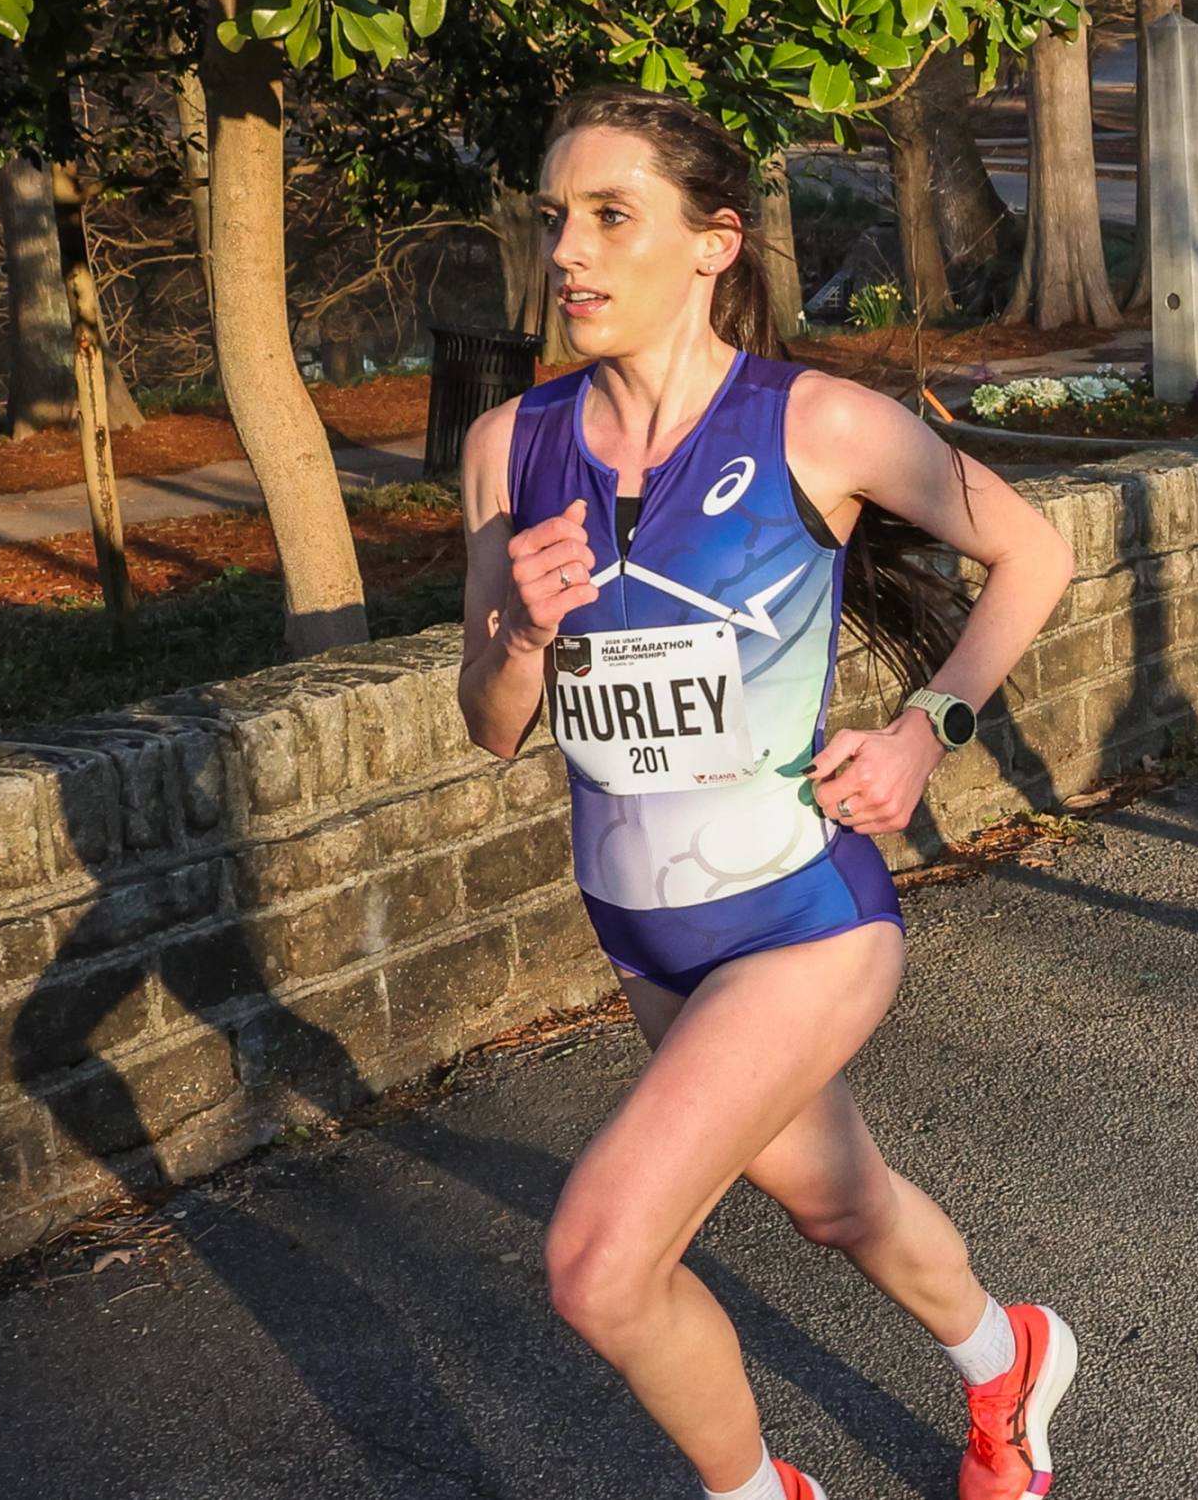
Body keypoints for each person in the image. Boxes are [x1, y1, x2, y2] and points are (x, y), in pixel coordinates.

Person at [457, 87, 1083, 1500]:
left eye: (613, 216)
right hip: (640, 925)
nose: (571, 251)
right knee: (831, 1198)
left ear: (713, 243)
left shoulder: (820, 424)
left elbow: (1034, 552)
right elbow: (493, 726)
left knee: (601, 1264)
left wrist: (930, 726)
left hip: (804, 912)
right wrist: (521, 638)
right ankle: (1010, 1357)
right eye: (558, 216)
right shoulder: (511, 443)